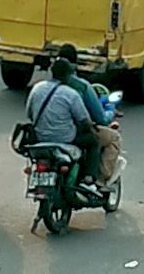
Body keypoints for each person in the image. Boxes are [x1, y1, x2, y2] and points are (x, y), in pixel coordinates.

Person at [26, 58, 116, 189]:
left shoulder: (37, 88)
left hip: (40, 137)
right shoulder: (71, 94)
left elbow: (29, 114)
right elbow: (85, 121)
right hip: (66, 139)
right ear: (68, 75)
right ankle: (89, 179)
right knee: (93, 141)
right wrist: (92, 129)